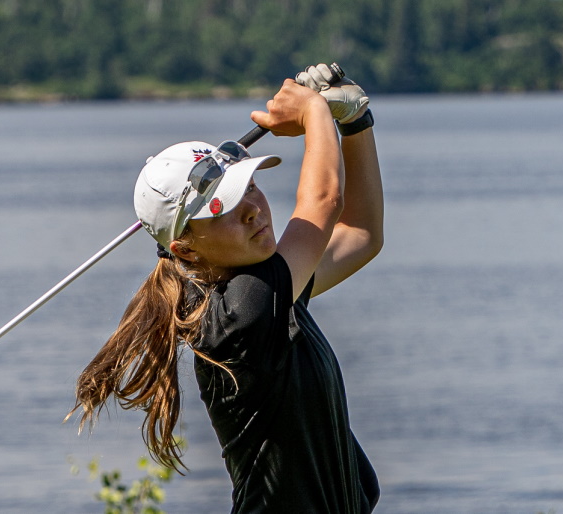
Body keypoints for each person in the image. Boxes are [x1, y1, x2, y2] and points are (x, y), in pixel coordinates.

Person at [70, 63, 384, 513]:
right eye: (224, 208)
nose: (254, 209)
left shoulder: (267, 290)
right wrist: (315, 111)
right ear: (186, 249)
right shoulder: (244, 311)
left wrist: (354, 123)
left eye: (251, 186)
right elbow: (324, 203)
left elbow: (361, 233)